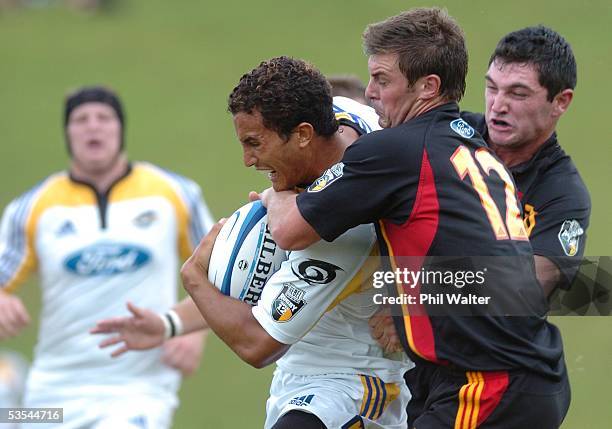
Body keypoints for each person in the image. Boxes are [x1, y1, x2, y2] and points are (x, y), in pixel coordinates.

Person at [260, 8, 570, 429]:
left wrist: (272, 194)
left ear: (428, 87)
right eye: (493, 88)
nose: (370, 92)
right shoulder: (476, 146)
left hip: (485, 384)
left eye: (382, 80)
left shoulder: (399, 151)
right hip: (487, 378)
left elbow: (289, 229)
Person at [93, 57, 413, 429]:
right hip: (296, 379)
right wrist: (169, 324)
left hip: (354, 388)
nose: (247, 160)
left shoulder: (337, 231)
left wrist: (194, 275)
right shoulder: (349, 117)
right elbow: (254, 288)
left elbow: (257, 342)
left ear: (304, 135)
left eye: (254, 143)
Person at [369, 24, 591, 426]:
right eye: (492, 88)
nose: (497, 105)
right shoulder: (448, 136)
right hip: (433, 374)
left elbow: (522, 288)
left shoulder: (562, 194)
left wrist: (405, 291)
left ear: (561, 101)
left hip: (501, 383)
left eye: (518, 94)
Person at [0, 86, 214, 428]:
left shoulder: (173, 193)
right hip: (51, 394)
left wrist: (193, 332)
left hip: (138, 390)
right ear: (67, 133)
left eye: (104, 117)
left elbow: (220, 273)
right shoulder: (32, 207)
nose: (93, 127)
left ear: (120, 129)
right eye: (80, 119)